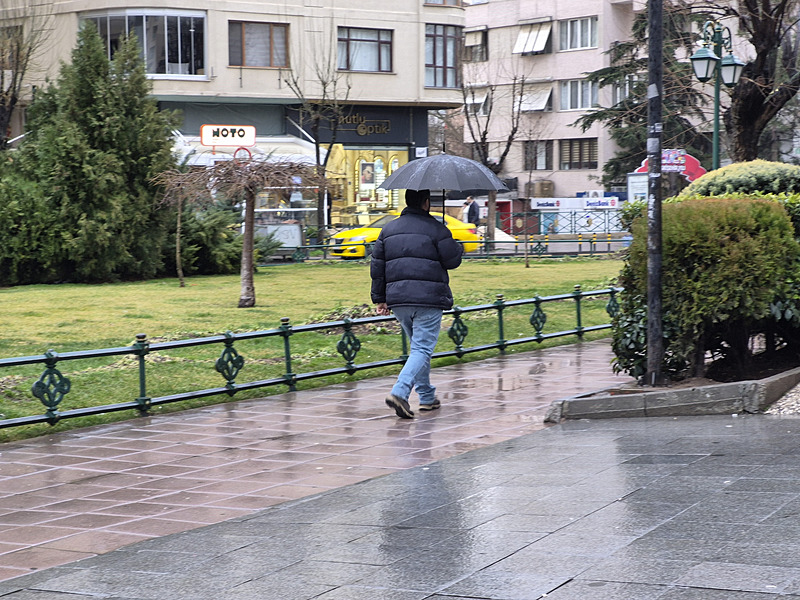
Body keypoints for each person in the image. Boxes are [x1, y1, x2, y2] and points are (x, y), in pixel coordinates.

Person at [370, 189, 463, 418]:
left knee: (418, 350)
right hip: (428, 298)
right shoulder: (436, 228)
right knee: (422, 348)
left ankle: (427, 397)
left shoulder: (388, 229)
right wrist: (455, 244)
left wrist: (379, 298)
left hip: (399, 299)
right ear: (426, 202)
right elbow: (452, 261)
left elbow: (377, 266)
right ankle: (399, 392)